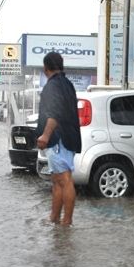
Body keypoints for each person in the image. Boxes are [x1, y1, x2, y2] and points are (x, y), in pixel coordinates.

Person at [36, 52, 82, 226]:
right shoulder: (67, 84)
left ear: (45, 68)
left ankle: (66, 222)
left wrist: (46, 135)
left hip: (58, 139)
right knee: (57, 180)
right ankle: (55, 218)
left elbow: (55, 112)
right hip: (67, 137)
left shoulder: (53, 86)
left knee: (63, 179)